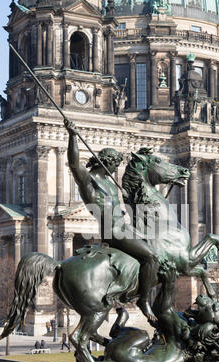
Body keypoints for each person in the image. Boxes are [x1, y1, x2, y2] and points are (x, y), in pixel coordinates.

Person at [64, 119, 159, 322]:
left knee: (157, 244)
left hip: (124, 227)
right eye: (115, 164)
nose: (116, 168)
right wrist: (72, 136)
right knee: (151, 257)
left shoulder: (109, 183)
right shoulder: (90, 182)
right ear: (106, 162)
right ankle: (143, 300)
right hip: (114, 232)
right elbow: (73, 164)